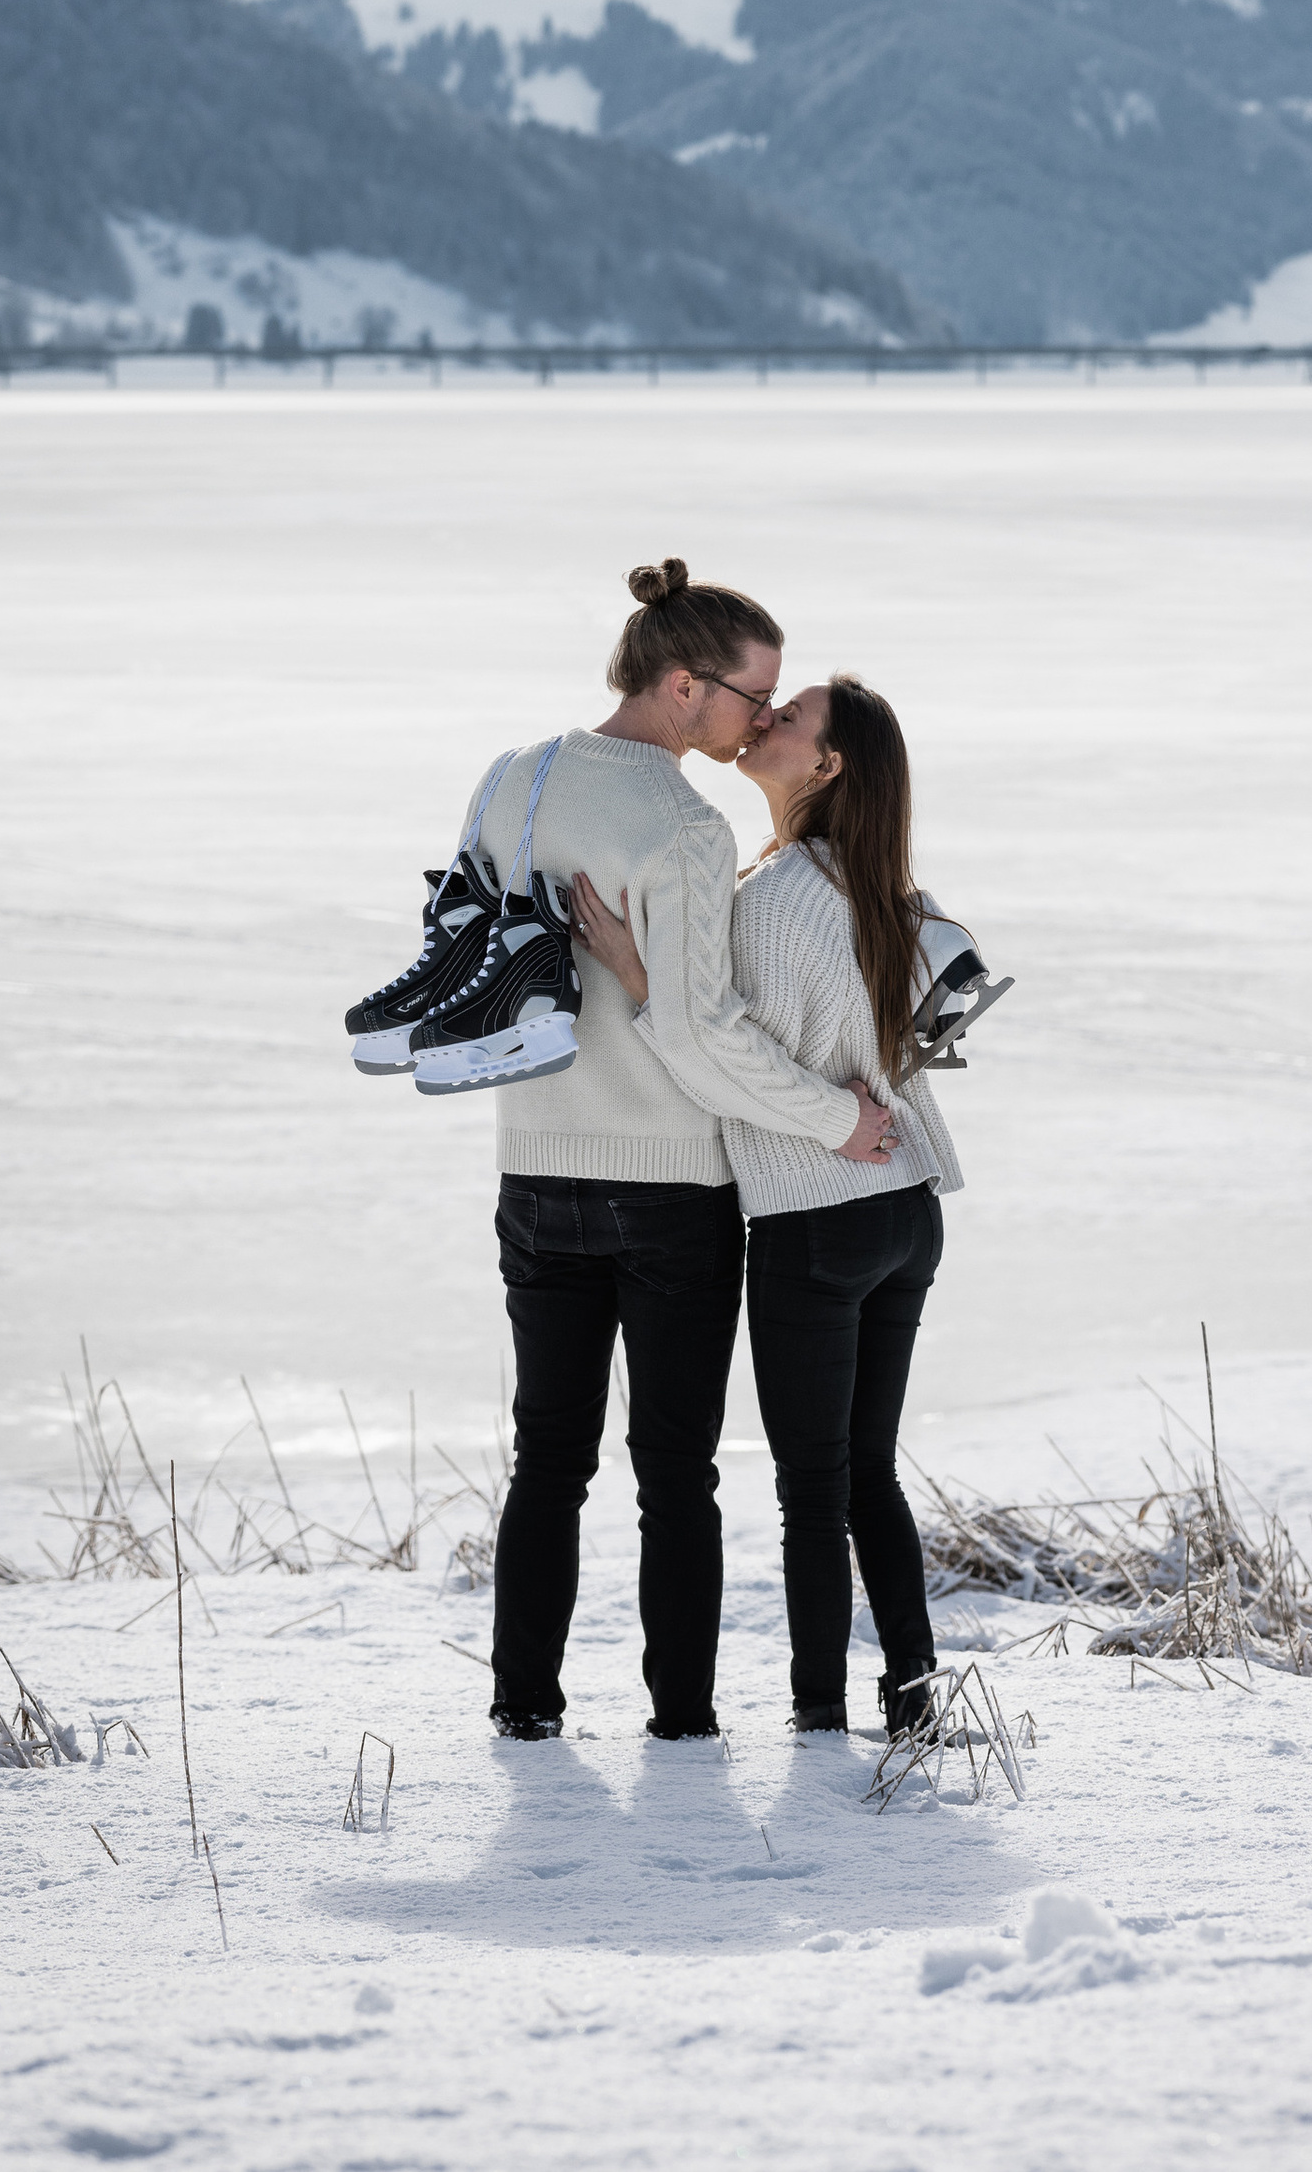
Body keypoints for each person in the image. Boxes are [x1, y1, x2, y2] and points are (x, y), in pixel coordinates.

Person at [473, 561, 894, 1746]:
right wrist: (834, 1120)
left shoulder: (515, 776)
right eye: (750, 699)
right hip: (667, 1187)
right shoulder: (686, 826)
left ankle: (525, 1710)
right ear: (680, 686)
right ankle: (681, 1722)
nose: (761, 721)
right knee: (675, 1476)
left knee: (545, 1460)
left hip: (534, 1161)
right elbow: (706, 1043)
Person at [575, 671, 961, 1740]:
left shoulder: (776, 898)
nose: (769, 719)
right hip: (905, 1208)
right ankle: (913, 1696)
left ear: (825, 766)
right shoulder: (885, 890)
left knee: (813, 1493)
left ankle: (819, 1719)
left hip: (817, 1219)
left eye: (792, 720)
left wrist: (639, 980)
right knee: (865, 1471)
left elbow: (723, 1057)